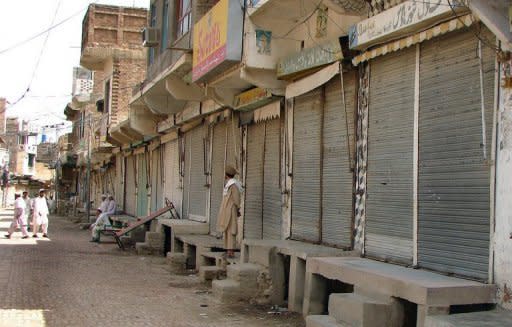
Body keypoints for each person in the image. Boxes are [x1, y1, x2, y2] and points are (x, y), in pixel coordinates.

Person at [216, 165, 243, 258]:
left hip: (231, 210)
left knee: (232, 230)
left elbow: (236, 199)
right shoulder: (228, 184)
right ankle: (227, 250)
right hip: (226, 210)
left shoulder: (234, 185)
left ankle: (231, 251)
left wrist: (238, 208)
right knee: (226, 229)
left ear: (226, 175)